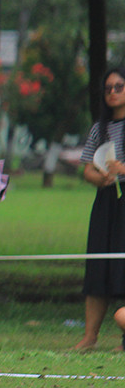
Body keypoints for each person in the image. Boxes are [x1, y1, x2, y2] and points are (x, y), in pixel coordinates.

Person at [74, 66, 125, 350]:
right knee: (98, 264)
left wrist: (122, 169)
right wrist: (102, 177)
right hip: (107, 201)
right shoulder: (99, 128)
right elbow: (86, 170)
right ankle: (89, 336)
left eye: (119, 87)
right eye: (108, 89)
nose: (113, 93)